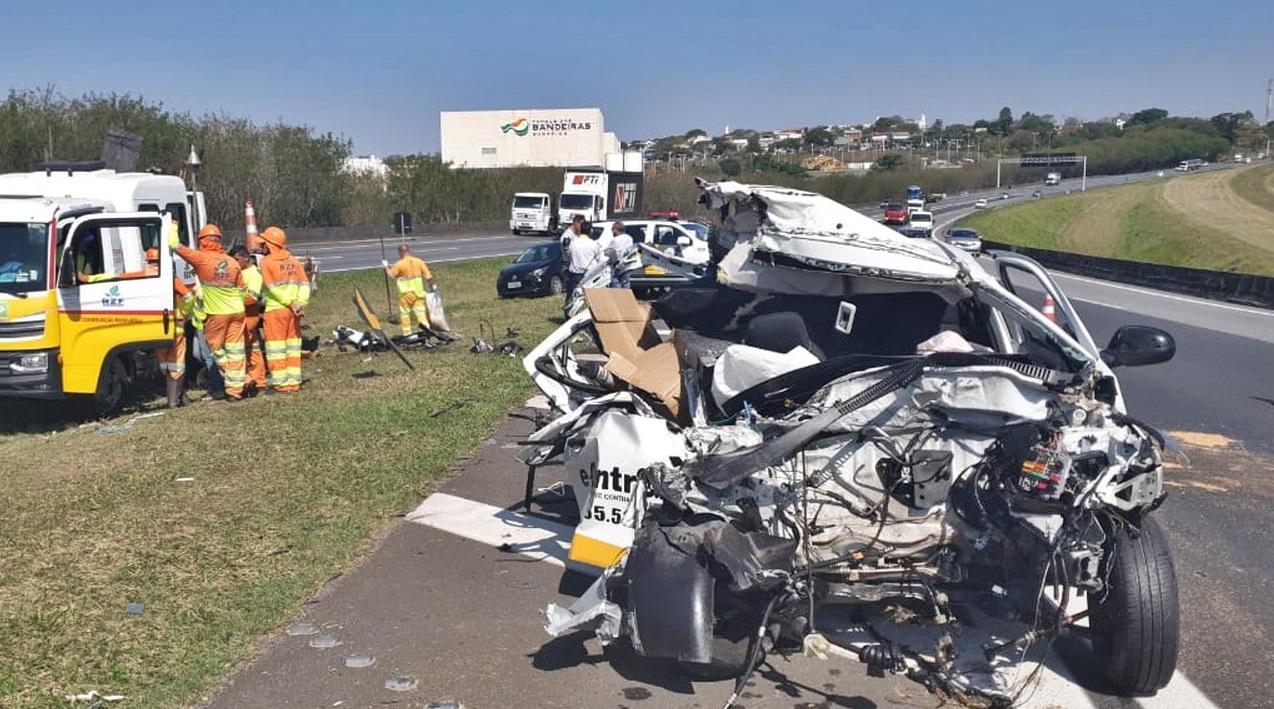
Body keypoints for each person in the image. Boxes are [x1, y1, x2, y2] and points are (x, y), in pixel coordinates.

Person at [169, 223, 247, 400]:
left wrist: (173, 224)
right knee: (236, 350)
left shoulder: (201, 258)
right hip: (237, 311)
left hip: (217, 313)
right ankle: (235, 390)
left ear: (203, 241)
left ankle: (233, 377)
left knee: (216, 349)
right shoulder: (233, 262)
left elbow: (174, 244)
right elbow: (242, 289)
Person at [258, 226, 310, 393]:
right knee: (293, 347)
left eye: (264, 243)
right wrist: (300, 303)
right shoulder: (294, 261)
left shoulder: (266, 262)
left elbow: (271, 288)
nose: (261, 247)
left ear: (270, 244)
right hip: (294, 312)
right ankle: (294, 382)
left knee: (276, 348)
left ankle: (281, 384)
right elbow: (305, 285)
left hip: (276, 310)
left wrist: (289, 302)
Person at [232, 246, 268, 394]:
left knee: (251, 350)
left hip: (249, 316)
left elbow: (252, 297)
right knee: (247, 350)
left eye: (236, 260)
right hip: (240, 315)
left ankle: (258, 381)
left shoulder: (253, 274)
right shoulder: (239, 272)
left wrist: (233, 296)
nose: (234, 263)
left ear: (246, 258)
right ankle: (252, 380)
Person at [380, 243, 437, 336]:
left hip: (405, 294)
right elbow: (428, 277)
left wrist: (386, 266)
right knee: (421, 313)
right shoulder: (419, 262)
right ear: (409, 251)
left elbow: (391, 275)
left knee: (405, 314)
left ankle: (407, 333)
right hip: (418, 293)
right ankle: (426, 331)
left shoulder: (399, 264)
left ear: (400, 252)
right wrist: (433, 286)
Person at [157, 277, 195, 407]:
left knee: (164, 364)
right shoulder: (172, 279)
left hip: (156, 327)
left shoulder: (147, 277)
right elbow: (189, 297)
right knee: (177, 363)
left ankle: (174, 397)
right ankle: (174, 400)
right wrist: (185, 314)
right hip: (176, 326)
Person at [565, 221, 600, 296]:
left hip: (575, 273)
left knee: (573, 296)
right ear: (591, 231)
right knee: (591, 296)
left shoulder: (573, 243)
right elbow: (598, 258)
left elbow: (569, 255)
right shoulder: (594, 244)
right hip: (589, 274)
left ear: (580, 230)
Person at [604, 221, 635, 288]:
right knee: (626, 282)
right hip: (627, 263)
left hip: (617, 264)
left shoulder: (615, 240)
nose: (612, 232)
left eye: (612, 230)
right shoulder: (629, 238)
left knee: (616, 282)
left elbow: (610, 251)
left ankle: (618, 297)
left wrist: (605, 252)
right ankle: (626, 297)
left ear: (615, 230)